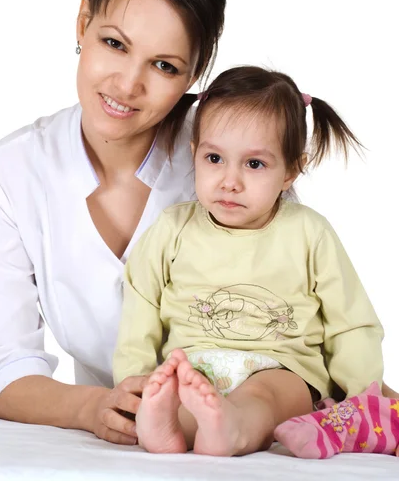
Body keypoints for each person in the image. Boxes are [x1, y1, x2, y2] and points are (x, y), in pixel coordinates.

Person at [0, 0, 226, 445]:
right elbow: (5, 366)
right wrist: (94, 408)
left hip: (250, 434)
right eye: (115, 44)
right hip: (120, 451)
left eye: (164, 66)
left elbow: (301, 309)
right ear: (83, 24)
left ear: (194, 75)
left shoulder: (227, 158)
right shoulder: (13, 173)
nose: (127, 84)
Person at [113, 66, 386, 457]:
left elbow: (350, 320)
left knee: (268, 397)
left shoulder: (309, 232)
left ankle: (232, 428)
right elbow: (140, 306)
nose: (230, 181)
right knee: (179, 390)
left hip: (280, 368)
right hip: (194, 365)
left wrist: (361, 394)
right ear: (195, 154)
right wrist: (136, 380)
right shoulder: (173, 228)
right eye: (214, 158)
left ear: (291, 169)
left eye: (254, 164)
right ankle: (168, 425)